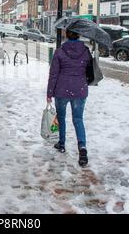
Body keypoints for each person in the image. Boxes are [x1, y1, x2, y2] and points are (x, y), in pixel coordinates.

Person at [47, 28, 91, 167]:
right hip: (80, 89)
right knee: (78, 119)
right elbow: (89, 70)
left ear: (66, 35)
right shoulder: (86, 51)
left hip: (62, 89)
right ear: (78, 35)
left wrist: (49, 93)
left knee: (61, 117)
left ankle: (61, 143)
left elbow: (53, 74)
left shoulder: (60, 51)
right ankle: (82, 147)